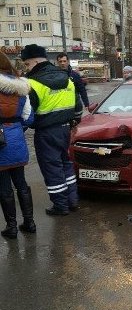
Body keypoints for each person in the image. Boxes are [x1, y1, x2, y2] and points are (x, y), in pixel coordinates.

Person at [21, 44, 82, 216]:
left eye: (26, 64)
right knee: (66, 164)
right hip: (65, 130)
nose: (27, 68)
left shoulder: (32, 83)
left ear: (34, 61)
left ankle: (60, 206)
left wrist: (20, 129)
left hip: (46, 132)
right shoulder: (66, 77)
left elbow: (28, 113)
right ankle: (72, 200)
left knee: (52, 168)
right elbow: (78, 106)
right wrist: (75, 120)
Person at [0, 52, 35, 238]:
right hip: (16, 138)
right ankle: (29, 222)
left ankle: (11, 227)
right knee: (21, 182)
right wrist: (16, 129)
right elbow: (29, 117)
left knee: (4, 187)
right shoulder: (22, 87)